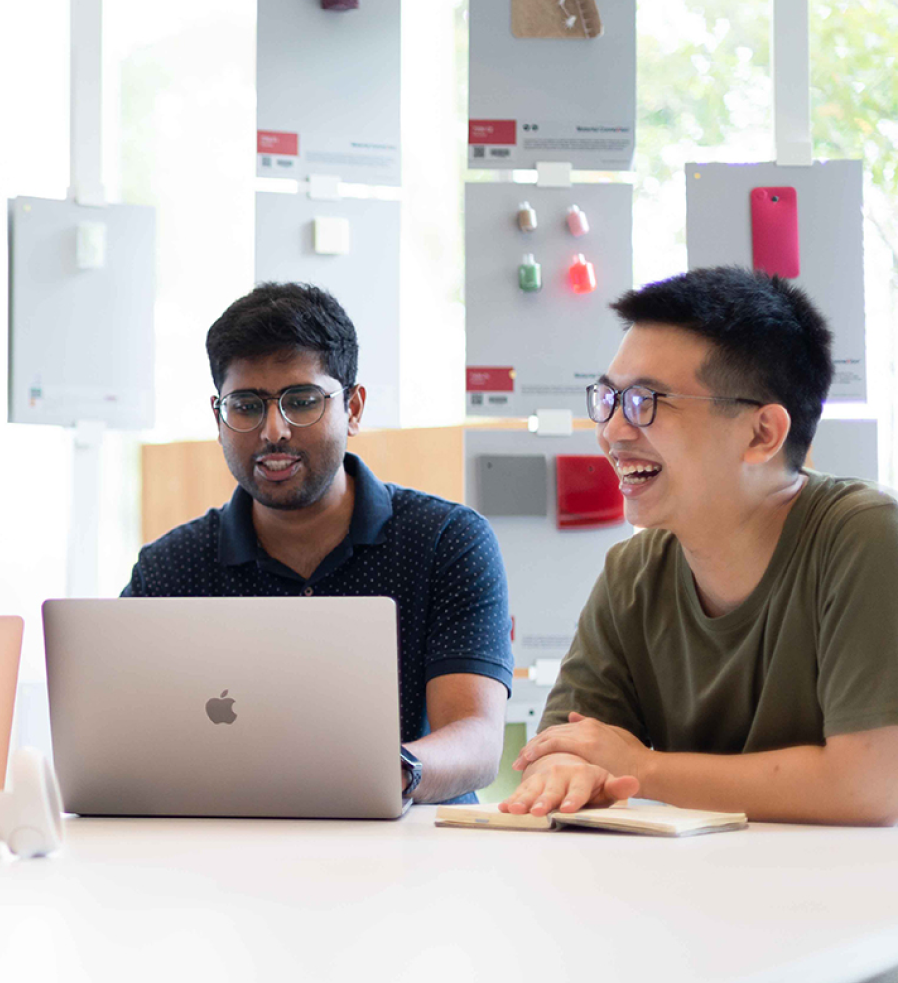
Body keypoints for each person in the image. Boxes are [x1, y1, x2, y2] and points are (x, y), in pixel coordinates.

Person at [502, 266, 898, 825]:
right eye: (608, 399)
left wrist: (647, 769)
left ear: (763, 434)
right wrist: (564, 773)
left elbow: (869, 785)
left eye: (645, 402)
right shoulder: (632, 572)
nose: (612, 431)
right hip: (683, 896)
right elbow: (563, 747)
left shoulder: (865, 537)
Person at [123, 283, 511, 805]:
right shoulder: (170, 569)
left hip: (410, 851)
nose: (273, 431)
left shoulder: (446, 542)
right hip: (225, 849)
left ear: (352, 407)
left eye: (301, 401)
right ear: (218, 417)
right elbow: (121, 737)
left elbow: (478, 739)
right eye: (246, 406)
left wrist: (385, 773)